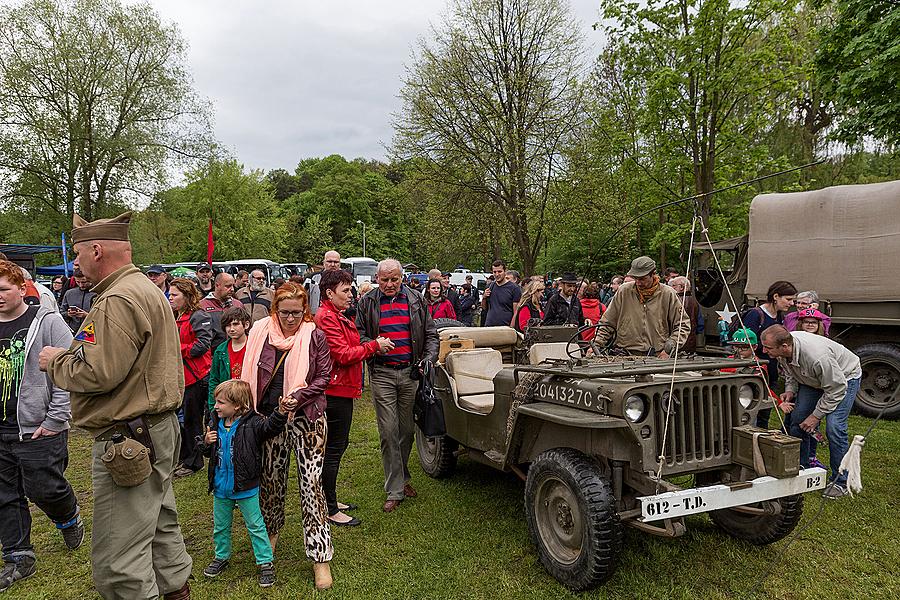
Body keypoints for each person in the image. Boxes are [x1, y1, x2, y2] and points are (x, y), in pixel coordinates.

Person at [40, 211, 192, 600]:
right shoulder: (144, 287)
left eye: (77, 255)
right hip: (155, 428)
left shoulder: (117, 299)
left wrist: (55, 360)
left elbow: (97, 373)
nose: (74, 264)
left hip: (128, 437)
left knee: (118, 559)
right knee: (159, 527)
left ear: (96, 250)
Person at [239, 282, 334, 590]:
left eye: (297, 312)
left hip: (307, 419)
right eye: (285, 313)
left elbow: (323, 376)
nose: (291, 319)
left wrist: (299, 396)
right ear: (274, 310)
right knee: (270, 483)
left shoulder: (314, 334)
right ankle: (269, 541)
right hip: (269, 420)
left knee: (311, 487)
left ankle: (320, 556)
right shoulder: (260, 333)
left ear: (305, 310)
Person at [0, 261, 82, 594]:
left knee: (43, 488)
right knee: (5, 495)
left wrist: (56, 417)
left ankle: (68, 514)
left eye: (3, 289)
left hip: (38, 425)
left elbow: (67, 367)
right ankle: (18, 556)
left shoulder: (46, 322)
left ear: (22, 289)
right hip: (2, 427)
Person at [355, 259, 439, 513]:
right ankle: (395, 489)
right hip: (382, 373)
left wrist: (428, 358)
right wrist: (374, 344)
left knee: (406, 431)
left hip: (410, 373)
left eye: (394, 279)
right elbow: (359, 334)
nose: (389, 284)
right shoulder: (367, 302)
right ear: (377, 278)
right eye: (384, 280)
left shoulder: (416, 300)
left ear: (402, 277)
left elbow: (431, 335)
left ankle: (402, 478)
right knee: (388, 431)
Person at [314, 269, 392, 526]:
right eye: (345, 290)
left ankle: (330, 498)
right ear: (329, 293)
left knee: (338, 446)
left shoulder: (336, 315)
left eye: (351, 289)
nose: (351, 295)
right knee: (333, 449)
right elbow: (343, 354)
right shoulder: (326, 317)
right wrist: (374, 346)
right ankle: (330, 508)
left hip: (342, 388)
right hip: (335, 392)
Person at [202, 380, 294, 587]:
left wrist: (279, 412)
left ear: (237, 405)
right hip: (220, 487)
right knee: (220, 526)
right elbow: (208, 452)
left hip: (246, 487)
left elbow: (271, 427)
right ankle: (221, 557)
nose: (215, 406)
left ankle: (265, 562)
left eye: (220, 402)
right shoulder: (214, 423)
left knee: (255, 525)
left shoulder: (253, 424)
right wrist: (206, 442)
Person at [761, 325, 862, 499]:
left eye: (768, 348)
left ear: (784, 346)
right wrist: (790, 390)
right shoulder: (784, 349)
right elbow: (791, 371)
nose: (764, 350)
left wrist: (816, 416)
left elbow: (836, 388)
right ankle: (803, 468)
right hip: (813, 379)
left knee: (834, 427)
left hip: (844, 378)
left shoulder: (817, 357)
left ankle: (841, 482)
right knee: (798, 420)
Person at [594, 256, 691, 357]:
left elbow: (683, 325)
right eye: (635, 278)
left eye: (642, 279)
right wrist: (597, 344)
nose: (638, 282)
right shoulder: (624, 291)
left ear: (653, 274)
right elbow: (607, 321)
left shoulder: (667, 294)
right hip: (624, 354)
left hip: (657, 355)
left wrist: (669, 347)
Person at [169, 278, 213, 478]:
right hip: (184, 377)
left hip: (198, 377)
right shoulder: (176, 316)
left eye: (174, 295)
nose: (170, 298)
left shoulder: (197, 316)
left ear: (187, 296)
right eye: (170, 294)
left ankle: (195, 462)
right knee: (185, 420)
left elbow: (202, 344)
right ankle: (187, 457)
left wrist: (177, 350)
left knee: (193, 420)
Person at [741, 280, 797, 428]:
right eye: (788, 299)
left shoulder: (779, 316)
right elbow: (745, 344)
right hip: (756, 372)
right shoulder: (755, 315)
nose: (791, 303)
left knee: (765, 411)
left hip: (771, 370)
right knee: (751, 410)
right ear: (776, 296)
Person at [208, 306, 251, 412]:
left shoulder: (254, 347)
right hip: (228, 401)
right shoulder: (220, 350)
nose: (231, 329)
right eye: (228, 325)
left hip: (249, 399)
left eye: (235, 324)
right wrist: (212, 406)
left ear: (246, 325)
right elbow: (214, 379)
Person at [200, 272, 244, 350]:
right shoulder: (202, 305)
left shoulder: (238, 304)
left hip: (235, 353)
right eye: (228, 286)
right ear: (217, 285)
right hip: (212, 355)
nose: (232, 289)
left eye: (233, 286)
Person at [481, 260, 521, 327]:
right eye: (494, 272)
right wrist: (484, 297)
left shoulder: (514, 288)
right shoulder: (490, 286)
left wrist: (511, 328)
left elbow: (516, 312)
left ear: (505, 271)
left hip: (505, 327)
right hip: (489, 326)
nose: (497, 274)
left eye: (499, 271)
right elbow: (484, 308)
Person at [669, 276, 703, 353]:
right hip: (690, 345)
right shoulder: (695, 302)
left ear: (682, 287)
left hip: (674, 345)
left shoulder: (674, 301)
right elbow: (700, 326)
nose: (671, 287)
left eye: (674, 285)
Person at [309, 250, 342, 315]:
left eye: (336, 262)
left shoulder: (347, 279)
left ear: (339, 264)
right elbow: (302, 298)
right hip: (315, 317)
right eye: (329, 261)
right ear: (324, 263)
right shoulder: (312, 278)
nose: (332, 265)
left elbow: (354, 301)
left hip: (339, 318)